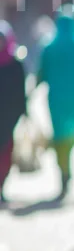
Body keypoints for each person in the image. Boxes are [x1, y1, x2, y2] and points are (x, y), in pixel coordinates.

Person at [38, 6, 74, 200]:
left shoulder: (49, 46)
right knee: (70, 134)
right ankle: (66, 168)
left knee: (58, 134)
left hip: (55, 98)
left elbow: (40, 74)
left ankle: (63, 170)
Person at [0, 21, 27, 204]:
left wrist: (24, 111)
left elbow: (21, 91)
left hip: (8, 117)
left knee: (5, 152)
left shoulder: (15, 63)